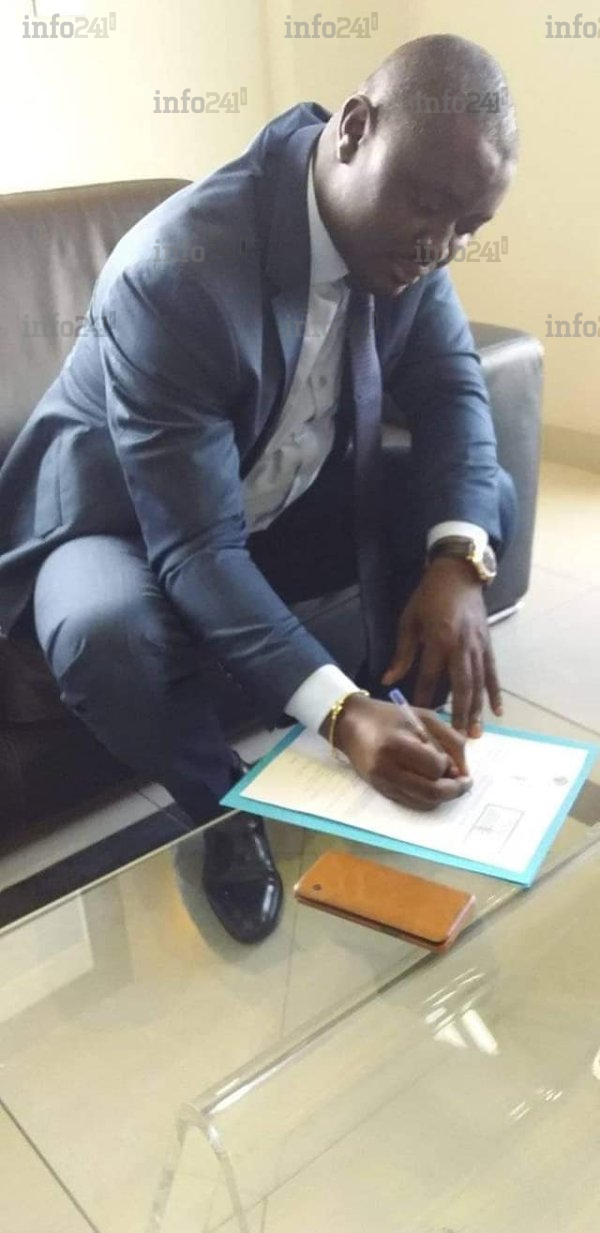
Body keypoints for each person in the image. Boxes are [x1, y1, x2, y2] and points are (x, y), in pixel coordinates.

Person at [0, 34, 518, 944]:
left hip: (272, 494)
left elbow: (452, 393)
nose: (440, 247)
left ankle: (399, 716)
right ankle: (224, 806)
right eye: (431, 207)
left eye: (467, 228)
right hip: (123, 523)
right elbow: (196, 548)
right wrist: (338, 715)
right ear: (353, 131)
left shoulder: (406, 245)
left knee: (478, 507)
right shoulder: (180, 272)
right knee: (103, 630)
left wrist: (458, 562)